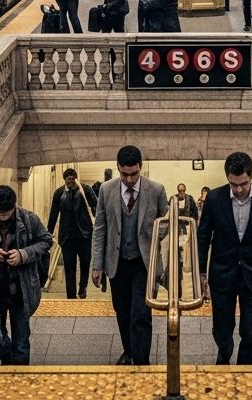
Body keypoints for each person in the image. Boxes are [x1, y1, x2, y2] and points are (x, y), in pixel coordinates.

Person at [197, 151, 252, 365]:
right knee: (222, 328)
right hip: (222, 274)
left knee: (251, 333)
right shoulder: (214, 199)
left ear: (251, 176)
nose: (238, 189)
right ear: (227, 178)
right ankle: (224, 353)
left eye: (243, 184)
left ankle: (246, 371)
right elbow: (203, 238)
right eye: (233, 184)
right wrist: (201, 274)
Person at [92, 145, 169, 365]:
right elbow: (100, 228)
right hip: (116, 263)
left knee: (141, 313)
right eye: (124, 174)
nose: (129, 179)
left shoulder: (156, 190)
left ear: (140, 167)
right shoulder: (106, 190)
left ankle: (142, 360)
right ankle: (128, 351)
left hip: (144, 263)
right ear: (118, 167)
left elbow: (167, 223)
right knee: (122, 311)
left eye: (134, 174)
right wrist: (97, 265)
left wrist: (154, 232)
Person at [0, 185, 52, 365]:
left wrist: (23, 254)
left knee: (21, 340)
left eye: (6, 213)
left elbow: (46, 240)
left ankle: (19, 372)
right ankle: (10, 360)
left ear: (14, 207)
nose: (2, 217)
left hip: (21, 290)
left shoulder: (28, 219)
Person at [48, 167, 98, 299]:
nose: (70, 182)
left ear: (76, 179)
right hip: (67, 238)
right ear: (64, 180)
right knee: (69, 268)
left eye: (72, 179)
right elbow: (53, 214)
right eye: (67, 180)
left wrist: (98, 226)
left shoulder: (86, 190)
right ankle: (71, 296)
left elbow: (97, 208)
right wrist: (48, 234)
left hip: (85, 236)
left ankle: (82, 288)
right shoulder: (59, 193)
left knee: (85, 265)